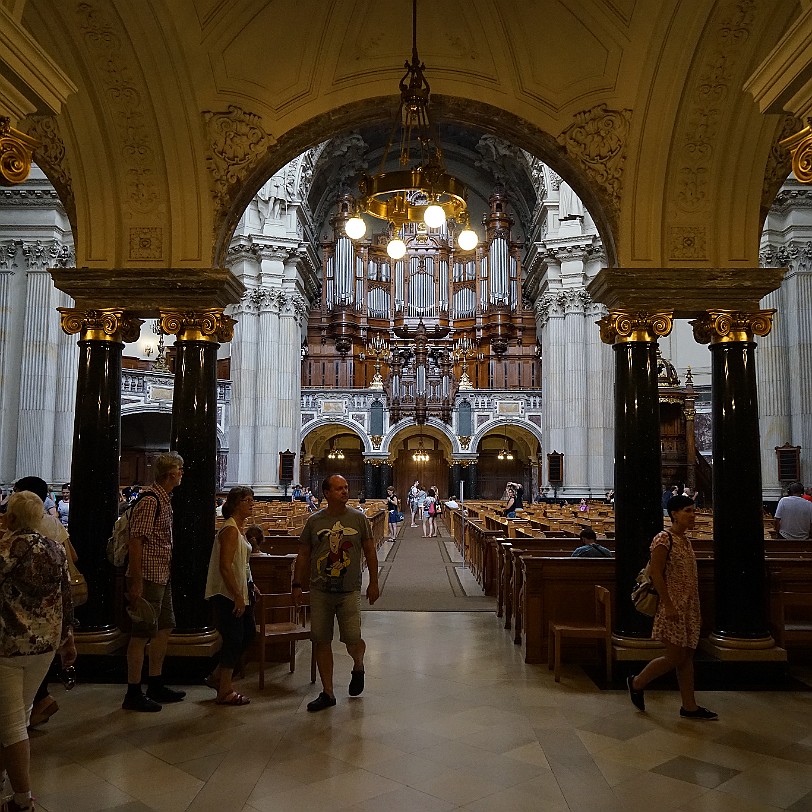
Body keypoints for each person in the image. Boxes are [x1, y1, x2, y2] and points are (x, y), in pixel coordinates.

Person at [0, 491, 76, 812]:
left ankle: (22, 800)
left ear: (13, 518)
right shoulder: (56, 549)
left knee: (12, 725)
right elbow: (66, 598)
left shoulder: (6, 549)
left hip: (9, 647)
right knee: (17, 717)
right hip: (44, 646)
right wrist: (68, 640)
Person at [293, 474, 379, 712]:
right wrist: (296, 584)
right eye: (339, 488)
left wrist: (374, 582)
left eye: (346, 488)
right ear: (327, 493)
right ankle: (328, 692)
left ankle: (358, 665)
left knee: (352, 638)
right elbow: (303, 554)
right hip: (320, 590)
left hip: (348, 590)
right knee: (321, 639)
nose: (344, 491)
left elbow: (370, 552)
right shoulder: (314, 521)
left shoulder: (359, 519)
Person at [627, 494, 717, 720]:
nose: (693, 515)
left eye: (694, 511)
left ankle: (689, 706)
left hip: (688, 605)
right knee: (675, 656)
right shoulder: (663, 539)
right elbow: (656, 573)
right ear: (674, 514)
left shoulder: (685, 540)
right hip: (672, 605)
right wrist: (668, 604)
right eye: (688, 511)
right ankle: (637, 682)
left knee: (686, 657)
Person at [122, 451, 186, 712]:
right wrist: (136, 582)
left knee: (164, 628)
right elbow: (136, 540)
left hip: (161, 573)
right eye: (180, 470)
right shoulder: (150, 500)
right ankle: (133, 691)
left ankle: (155, 682)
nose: (182, 474)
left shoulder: (164, 498)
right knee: (140, 635)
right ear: (171, 474)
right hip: (147, 576)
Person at [12, 477, 76, 728]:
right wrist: (68, 635)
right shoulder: (54, 534)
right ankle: (37, 703)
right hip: (48, 622)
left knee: (12, 712)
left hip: (14, 626)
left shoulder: (6, 546)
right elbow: (72, 557)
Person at [204, 487, 258, 706]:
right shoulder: (230, 530)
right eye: (248, 500)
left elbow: (242, 563)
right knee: (234, 639)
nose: (252, 504)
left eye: (252, 500)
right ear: (236, 504)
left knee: (247, 635)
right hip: (227, 593)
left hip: (241, 590)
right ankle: (224, 690)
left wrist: (251, 585)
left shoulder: (239, 529)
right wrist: (237, 595)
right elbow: (225, 567)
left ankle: (217, 676)